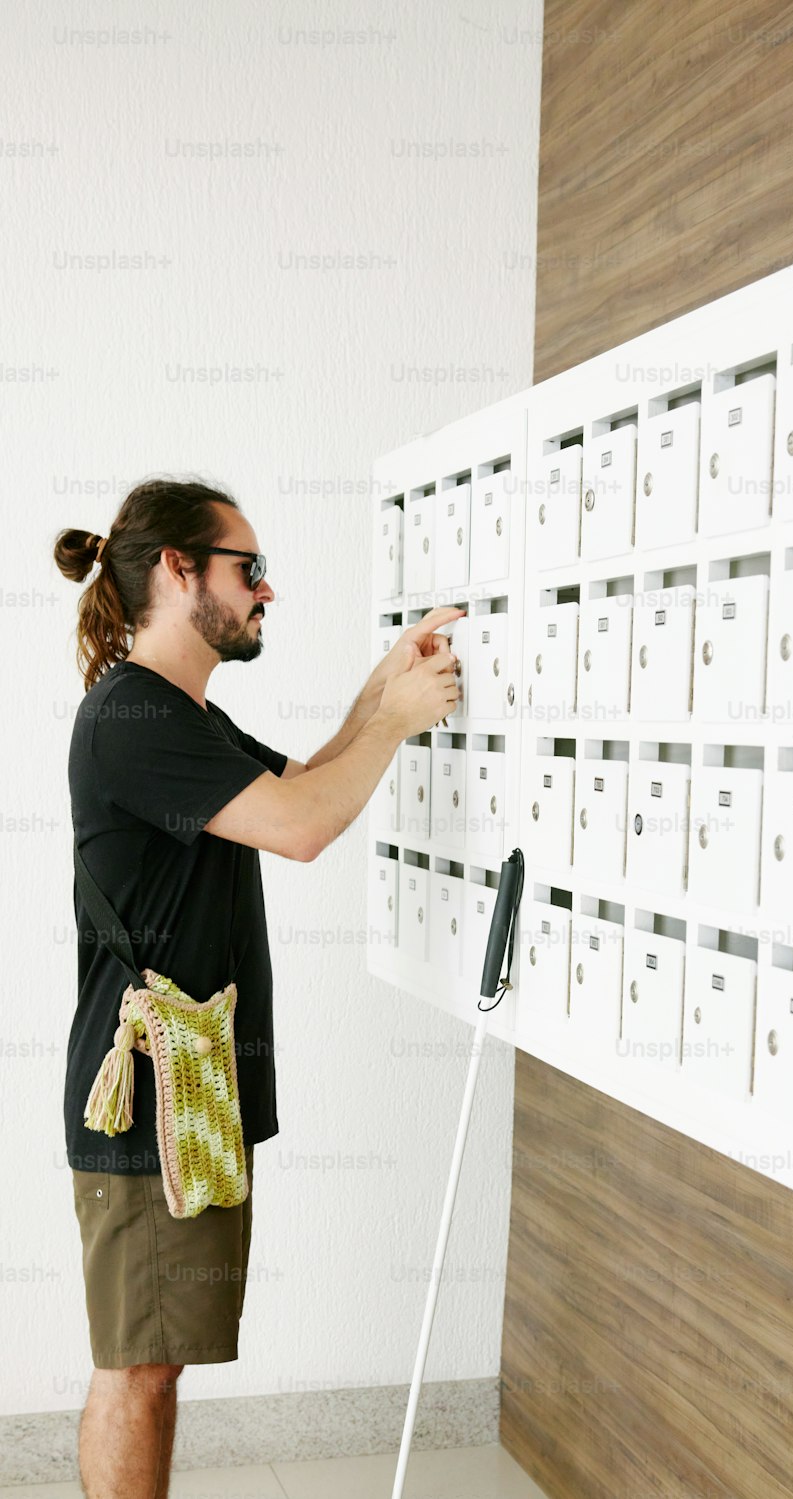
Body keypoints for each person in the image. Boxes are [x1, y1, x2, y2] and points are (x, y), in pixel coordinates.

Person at [53, 476, 460, 1499]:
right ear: (179, 569)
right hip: (150, 1098)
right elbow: (306, 827)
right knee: (139, 1370)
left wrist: (382, 687)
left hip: (184, 1091)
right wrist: (400, 720)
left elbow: (307, 782)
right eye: (250, 568)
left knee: (155, 1358)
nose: (266, 591)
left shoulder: (177, 710)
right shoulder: (136, 714)